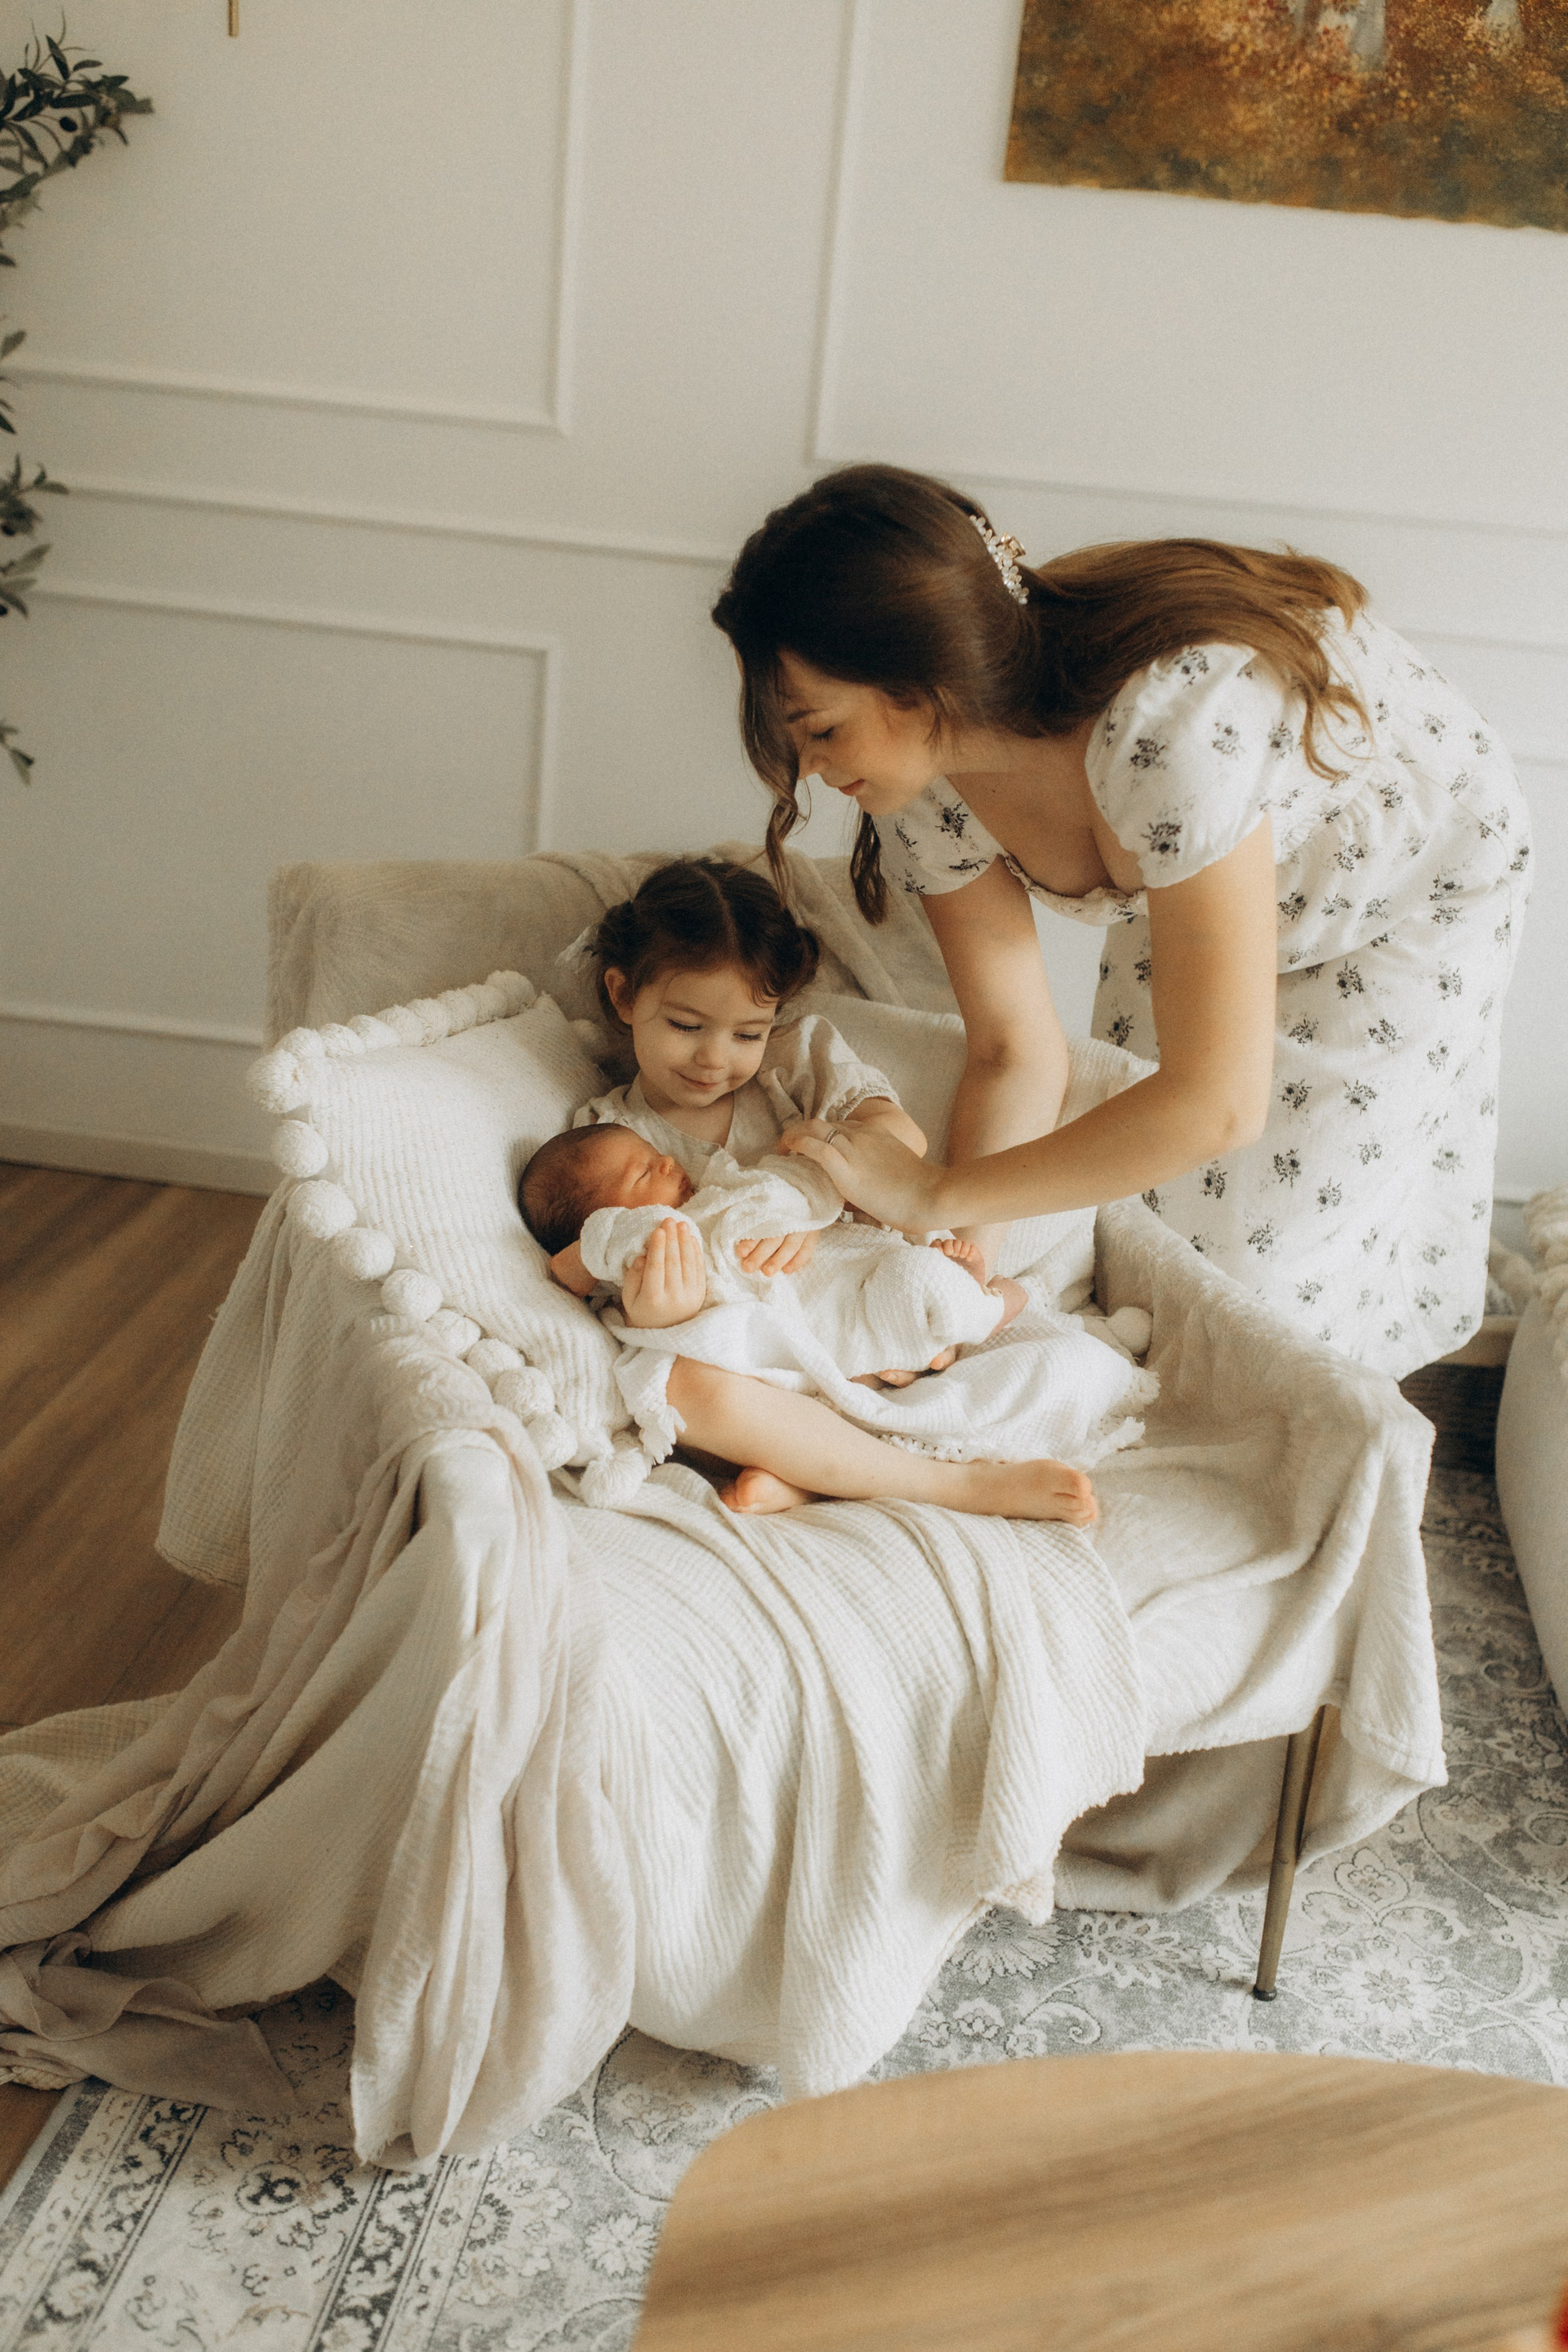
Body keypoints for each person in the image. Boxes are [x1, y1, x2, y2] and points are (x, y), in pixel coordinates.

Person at [711, 464, 1531, 1379]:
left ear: (918, 679)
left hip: (1406, 888)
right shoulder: (922, 786)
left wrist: (934, 1192)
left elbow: (1216, 1105)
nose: (807, 769)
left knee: (1273, 1272)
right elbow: (1012, 1051)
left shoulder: (1167, 736)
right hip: (1204, 866)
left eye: (821, 730)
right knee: (1145, 1224)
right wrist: (957, 1259)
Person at [516, 1121, 1091, 1524]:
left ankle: (976, 1308)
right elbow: (590, 1259)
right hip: (778, 1388)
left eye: (656, 1153)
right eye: (644, 1173)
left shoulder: (721, 1192)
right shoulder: (639, 1252)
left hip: (839, 1322)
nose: (668, 1162)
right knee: (679, 1391)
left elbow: (797, 1182)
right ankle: (950, 1485)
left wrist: (805, 1214)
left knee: (913, 1286)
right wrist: (641, 1299)